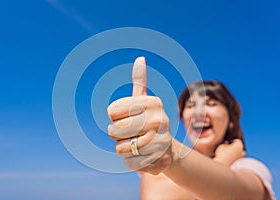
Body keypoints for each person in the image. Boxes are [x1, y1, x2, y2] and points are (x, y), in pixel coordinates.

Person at [107, 57, 275, 200]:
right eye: (191, 105)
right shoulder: (157, 163)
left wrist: (170, 155)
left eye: (211, 104)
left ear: (231, 119)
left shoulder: (248, 166)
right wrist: (221, 161)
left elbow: (238, 192)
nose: (199, 113)